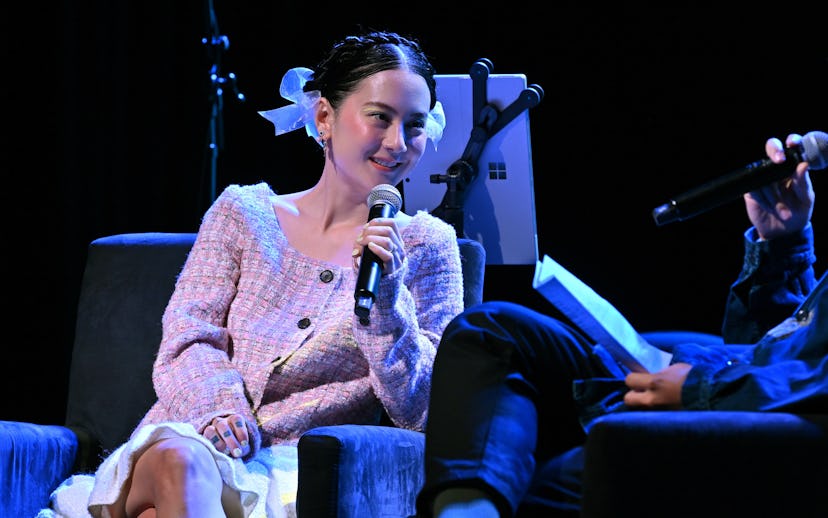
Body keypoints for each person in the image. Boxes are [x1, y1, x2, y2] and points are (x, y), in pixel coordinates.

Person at [42, 30, 464, 518]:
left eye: (414, 125)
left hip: (297, 477)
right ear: (325, 116)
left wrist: (387, 301)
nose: (397, 143)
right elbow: (187, 338)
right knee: (180, 461)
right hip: (195, 439)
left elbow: (425, 409)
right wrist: (220, 410)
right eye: (380, 118)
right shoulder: (245, 214)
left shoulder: (426, 247)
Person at [414, 133, 827, 518]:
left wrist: (701, 391)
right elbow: (769, 346)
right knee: (491, 330)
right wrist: (782, 242)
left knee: (549, 485)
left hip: (741, 406)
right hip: (729, 381)